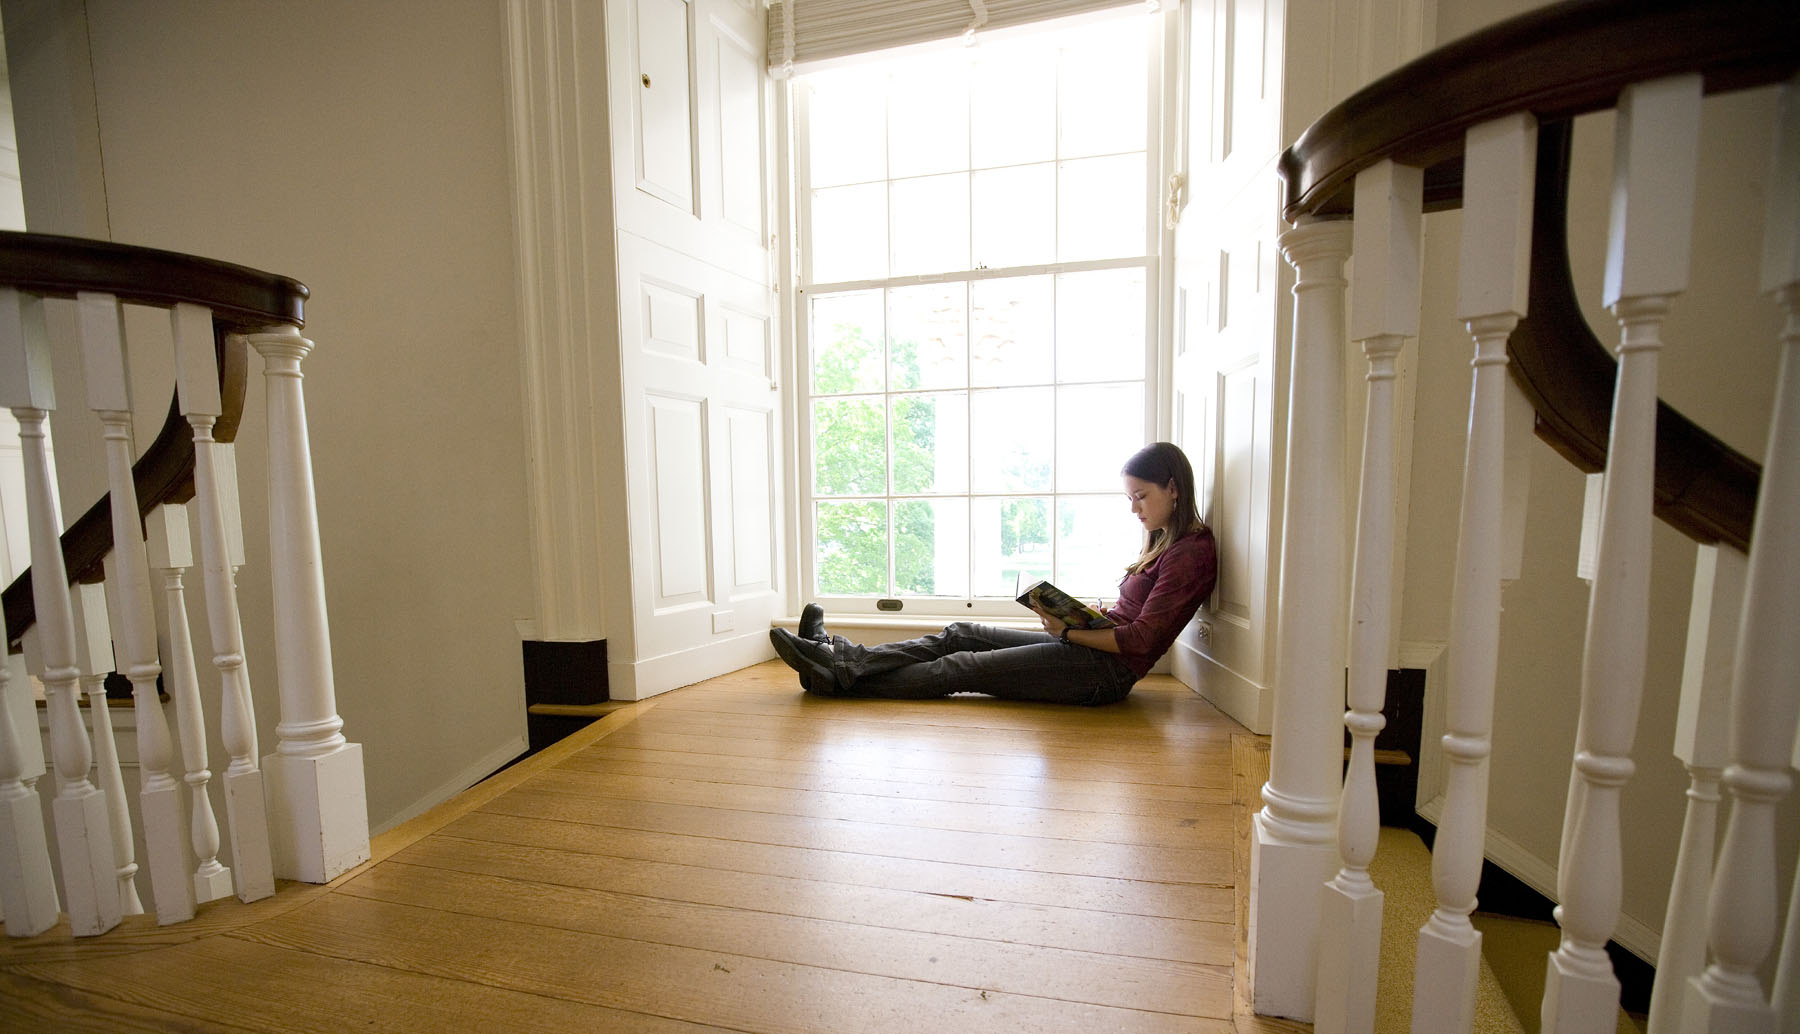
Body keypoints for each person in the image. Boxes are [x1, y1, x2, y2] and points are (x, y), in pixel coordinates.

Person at [769, 441, 1217, 706]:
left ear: (1173, 488)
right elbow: (1133, 617)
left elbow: (1141, 641)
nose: (1134, 508)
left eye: (1140, 496)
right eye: (1130, 498)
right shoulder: (1165, 541)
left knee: (961, 667)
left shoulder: (1192, 553)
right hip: (1092, 649)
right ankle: (838, 661)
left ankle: (833, 675)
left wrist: (1066, 632)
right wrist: (1087, 616)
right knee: (960, 632)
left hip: (1104, 674)